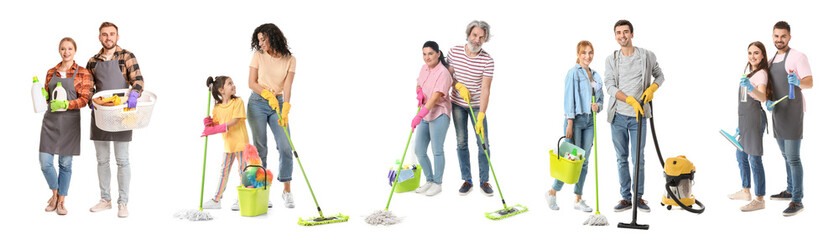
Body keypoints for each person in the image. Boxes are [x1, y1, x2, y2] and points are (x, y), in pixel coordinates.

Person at [603, 20, 665, 212]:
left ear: (632, 34)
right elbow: (610, 86)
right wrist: (628, 99)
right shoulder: (611, 59)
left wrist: (653, 88)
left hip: (639, 117)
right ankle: (625, 198)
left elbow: (660, 76)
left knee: (638, 159)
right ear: (615, 36)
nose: (622, 36)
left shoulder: (646, 56)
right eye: (618, 33)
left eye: (625, 32)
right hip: (618, 116)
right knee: (621, 158)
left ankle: (638, 197)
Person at [86, 22, 145, 218]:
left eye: (112, 34)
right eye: (104, 34)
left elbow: (138, 79)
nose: (108, 37)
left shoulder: (127, 56)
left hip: (121, 113)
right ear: (99, 37)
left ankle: (123, 202)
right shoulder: (92, 62)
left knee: (122, 160)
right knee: (102, 160)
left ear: (117, 37)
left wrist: (135, 93)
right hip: (101, 113)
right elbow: (88, 88)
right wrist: (90, 100)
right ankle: (105, 200)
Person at [545, 40, 603, 212]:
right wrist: (569, 122)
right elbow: (569, 98)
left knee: (583, 162)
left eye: (590, 52)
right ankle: (552, 192)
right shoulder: (573, 73)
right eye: (584, 52)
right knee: (571, 160)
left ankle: (578, 199)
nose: (587, 56)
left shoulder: (596, 75)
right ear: (578, 54)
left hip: (590, 121)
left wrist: (597, 106)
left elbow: (601, 100)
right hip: (575, 121)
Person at [39, 37, 92, 216]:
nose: (66, 52)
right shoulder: (50, 72)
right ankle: (54, 194)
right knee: (45, 162)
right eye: (63, 49)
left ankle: (61, 201)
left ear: (75, 51)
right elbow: (48, 98)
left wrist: (66, 104)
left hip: (70, 123)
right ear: (59, 51)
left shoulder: (83, 72)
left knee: (65, 163)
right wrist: (43, 95)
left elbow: (85, 99)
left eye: (70, 48)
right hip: (51, 122)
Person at [765, 21, 812, 216]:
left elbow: (810, 82)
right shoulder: (771, 60)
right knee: (785, 155)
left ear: (789, 37)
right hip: (778, 112)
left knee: (793, 158)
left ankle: (797, 200)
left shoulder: (798, 56)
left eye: (783, 36)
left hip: (792, 111)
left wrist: (798, 81)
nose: (779, 40)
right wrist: (767, 99)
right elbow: (769, 85)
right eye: (776, 36)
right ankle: (790, 189)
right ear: (773, 36)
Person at [247, 23, 296, 209]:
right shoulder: (258, 56)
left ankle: (287, 191)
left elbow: (288, 86)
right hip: (257, 103)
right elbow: (251, 82)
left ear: (273, 37)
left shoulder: (290, 59)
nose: (261, 43)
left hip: (279, 104)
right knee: (260, 149)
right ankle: (262, 192)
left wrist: (286, 108)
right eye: (258, 40)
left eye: (263, 39)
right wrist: (266, 94)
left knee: (285, 147)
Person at [448, 20, 496, 196]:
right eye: (475, 35)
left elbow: (485, 89)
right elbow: (448, 77)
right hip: (457, 104)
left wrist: (481, 115)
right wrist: (458, 86)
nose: (477, 40)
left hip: (476, 106)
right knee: (461, 142)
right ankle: (467, 180)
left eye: (482, 37)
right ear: (469, 34)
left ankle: (484, 181)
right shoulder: (454, 52)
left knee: (483, 143)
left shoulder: (488, 60)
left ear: (485, 39)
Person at [728, 41, 771, 212]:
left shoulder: (761, 74)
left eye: (756, 53)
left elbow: (762, 97)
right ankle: (746, 190)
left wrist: (750, 88)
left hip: (754, 119)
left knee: (754, 157)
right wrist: (740, 125)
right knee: (740, 154)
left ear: (762, 55)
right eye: (750, 53)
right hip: (745, 120)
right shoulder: (751, 73)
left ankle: (759, 198)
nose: (752, 56)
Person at [200, 76, 249, 209]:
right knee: (224, 171)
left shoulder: (238, 102)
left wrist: (216, 128)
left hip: (240, 142)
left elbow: (235, 121)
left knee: (243, 171)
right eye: (229, 84)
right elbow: (216, 124)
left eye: (232, 82)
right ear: (221, 90)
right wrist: (210, 124)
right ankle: (216, 200)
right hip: (228, 144)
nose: (233, 85)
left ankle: (243, 199)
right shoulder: (216, 108)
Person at [412, 41, 453, 197]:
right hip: (425, 112)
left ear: (438, 54)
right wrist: (419, 93)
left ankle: (437, 183)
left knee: (437, 150)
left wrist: (419, 116)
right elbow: (418, 84)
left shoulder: (443, 73)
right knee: (419, 150)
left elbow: (435, 98)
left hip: (439, 114)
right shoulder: (424, 68)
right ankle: (429, 180)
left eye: (430, 53)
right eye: (424, 54)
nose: (427, 57)